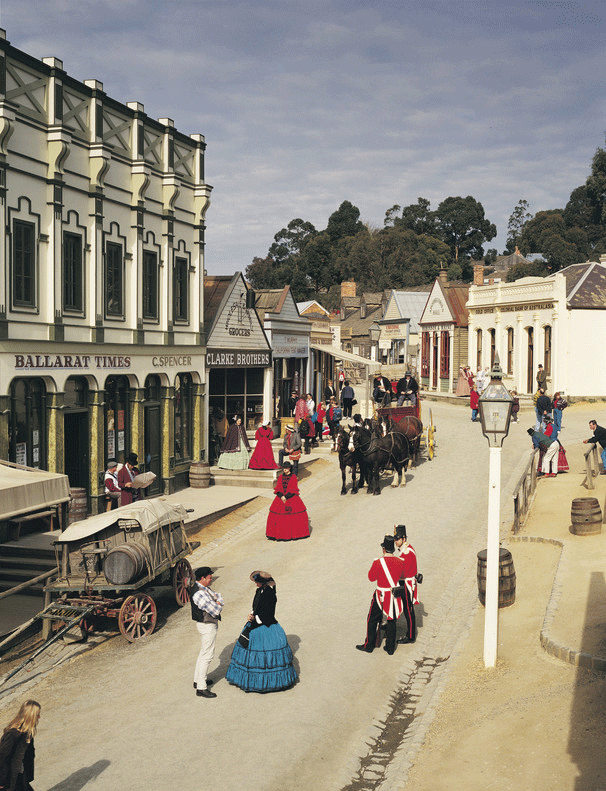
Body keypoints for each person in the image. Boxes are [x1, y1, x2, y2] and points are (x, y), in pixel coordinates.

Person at [225, 570, 297, 693]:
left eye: (257, 582)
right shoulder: (259, 591)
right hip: (256, 620)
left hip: (266, 624)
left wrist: (255, 619)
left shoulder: (270, 594)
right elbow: (257, 607)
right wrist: (251, 614)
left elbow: (269, 613)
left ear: (262, 583)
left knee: (263, 652)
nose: (255, 584)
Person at [356, 535, 406, 656]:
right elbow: (402, 576)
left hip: (380, 594)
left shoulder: (378, 562)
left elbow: (371, 578)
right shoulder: (400, 562)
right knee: (391, 620)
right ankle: (390, 648)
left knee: (372, 619)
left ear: (384, 549)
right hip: (393, 595)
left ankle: (369, 645)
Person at [191, 566, 224, 698]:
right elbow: (216, 610)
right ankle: (201, 688)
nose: (211, 579)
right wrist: (218, 603)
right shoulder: (199, 593)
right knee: (207, 655)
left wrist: (217, 601)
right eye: (209, 577)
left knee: (203, 652)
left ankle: (198, 679)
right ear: (203, 578)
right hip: (207, 625)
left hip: (206, 624)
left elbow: (218, 596)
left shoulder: (203, 589)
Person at [0, 699, 41, 791]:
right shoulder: (13, 734)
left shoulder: (28, 732)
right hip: (10, 779)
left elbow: (29, 755)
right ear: (30, 716)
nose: (39, 717)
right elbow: (3, 757)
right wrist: (1, 781)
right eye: (37, 714)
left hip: (20, 776)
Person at [266, 461, 309, 541]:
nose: (284, 469)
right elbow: (278, 487)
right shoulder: (280, 477)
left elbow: (294, 489)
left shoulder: (293, 477)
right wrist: (281, 496)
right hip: (281, 498)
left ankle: (292, 534)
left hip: (291, 498)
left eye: (286, 468)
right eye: (283, 468)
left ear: (289, 468)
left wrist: (286, 496)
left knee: (292, 516)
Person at [393, 525, 418, 644]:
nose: (395, 541)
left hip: (407, 583)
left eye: (397, 539)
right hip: (406, 581)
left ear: (403, 538)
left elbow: (403, 572)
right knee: (407, 608)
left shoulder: (406, 552)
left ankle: (411, 635)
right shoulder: (405, 549)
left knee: (408, 609)